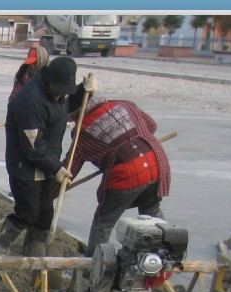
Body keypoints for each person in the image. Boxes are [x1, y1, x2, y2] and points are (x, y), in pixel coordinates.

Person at [0, 56, 96, 258]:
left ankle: (34, 254)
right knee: (28, 211)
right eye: (59, 90)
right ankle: (0, 249)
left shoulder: (56, 93)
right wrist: (55, 168)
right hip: (25, 166)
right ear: (48, 80)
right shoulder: (30, 101)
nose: (61, 95)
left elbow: (66, 106)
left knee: (45, 214)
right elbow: (33, 146)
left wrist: (84, 91)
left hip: (47, 161)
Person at [60, 95, 171, 255]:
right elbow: (151, 125)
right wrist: (131, 142)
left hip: (127, 174)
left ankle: (95, 264)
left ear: (75, 114)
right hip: (156, 162)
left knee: (103, 222)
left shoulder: (82, 132)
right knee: (151, 211)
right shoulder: (125, 104)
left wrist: (51, 193)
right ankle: (164, 253)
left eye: (71, 118)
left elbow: (69, 169)